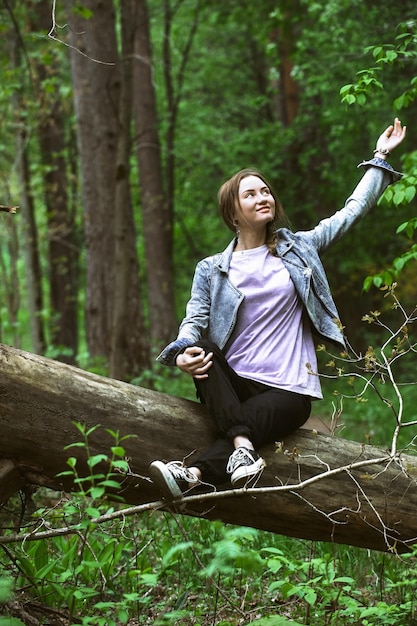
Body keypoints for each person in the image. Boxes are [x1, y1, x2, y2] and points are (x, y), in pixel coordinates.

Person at [149, 118, 407, 500]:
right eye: (250, 194)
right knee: (202, 350)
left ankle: (194, 472)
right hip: (235, 386)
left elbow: (350, 212)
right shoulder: (212, 268)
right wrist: (182, 354)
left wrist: (380, 156)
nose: (262, 197)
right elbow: (194, 320)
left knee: (243, 424)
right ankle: (233, 456)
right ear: (233, 212)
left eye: (266, 191)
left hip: (288, 389)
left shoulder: (298, 248)